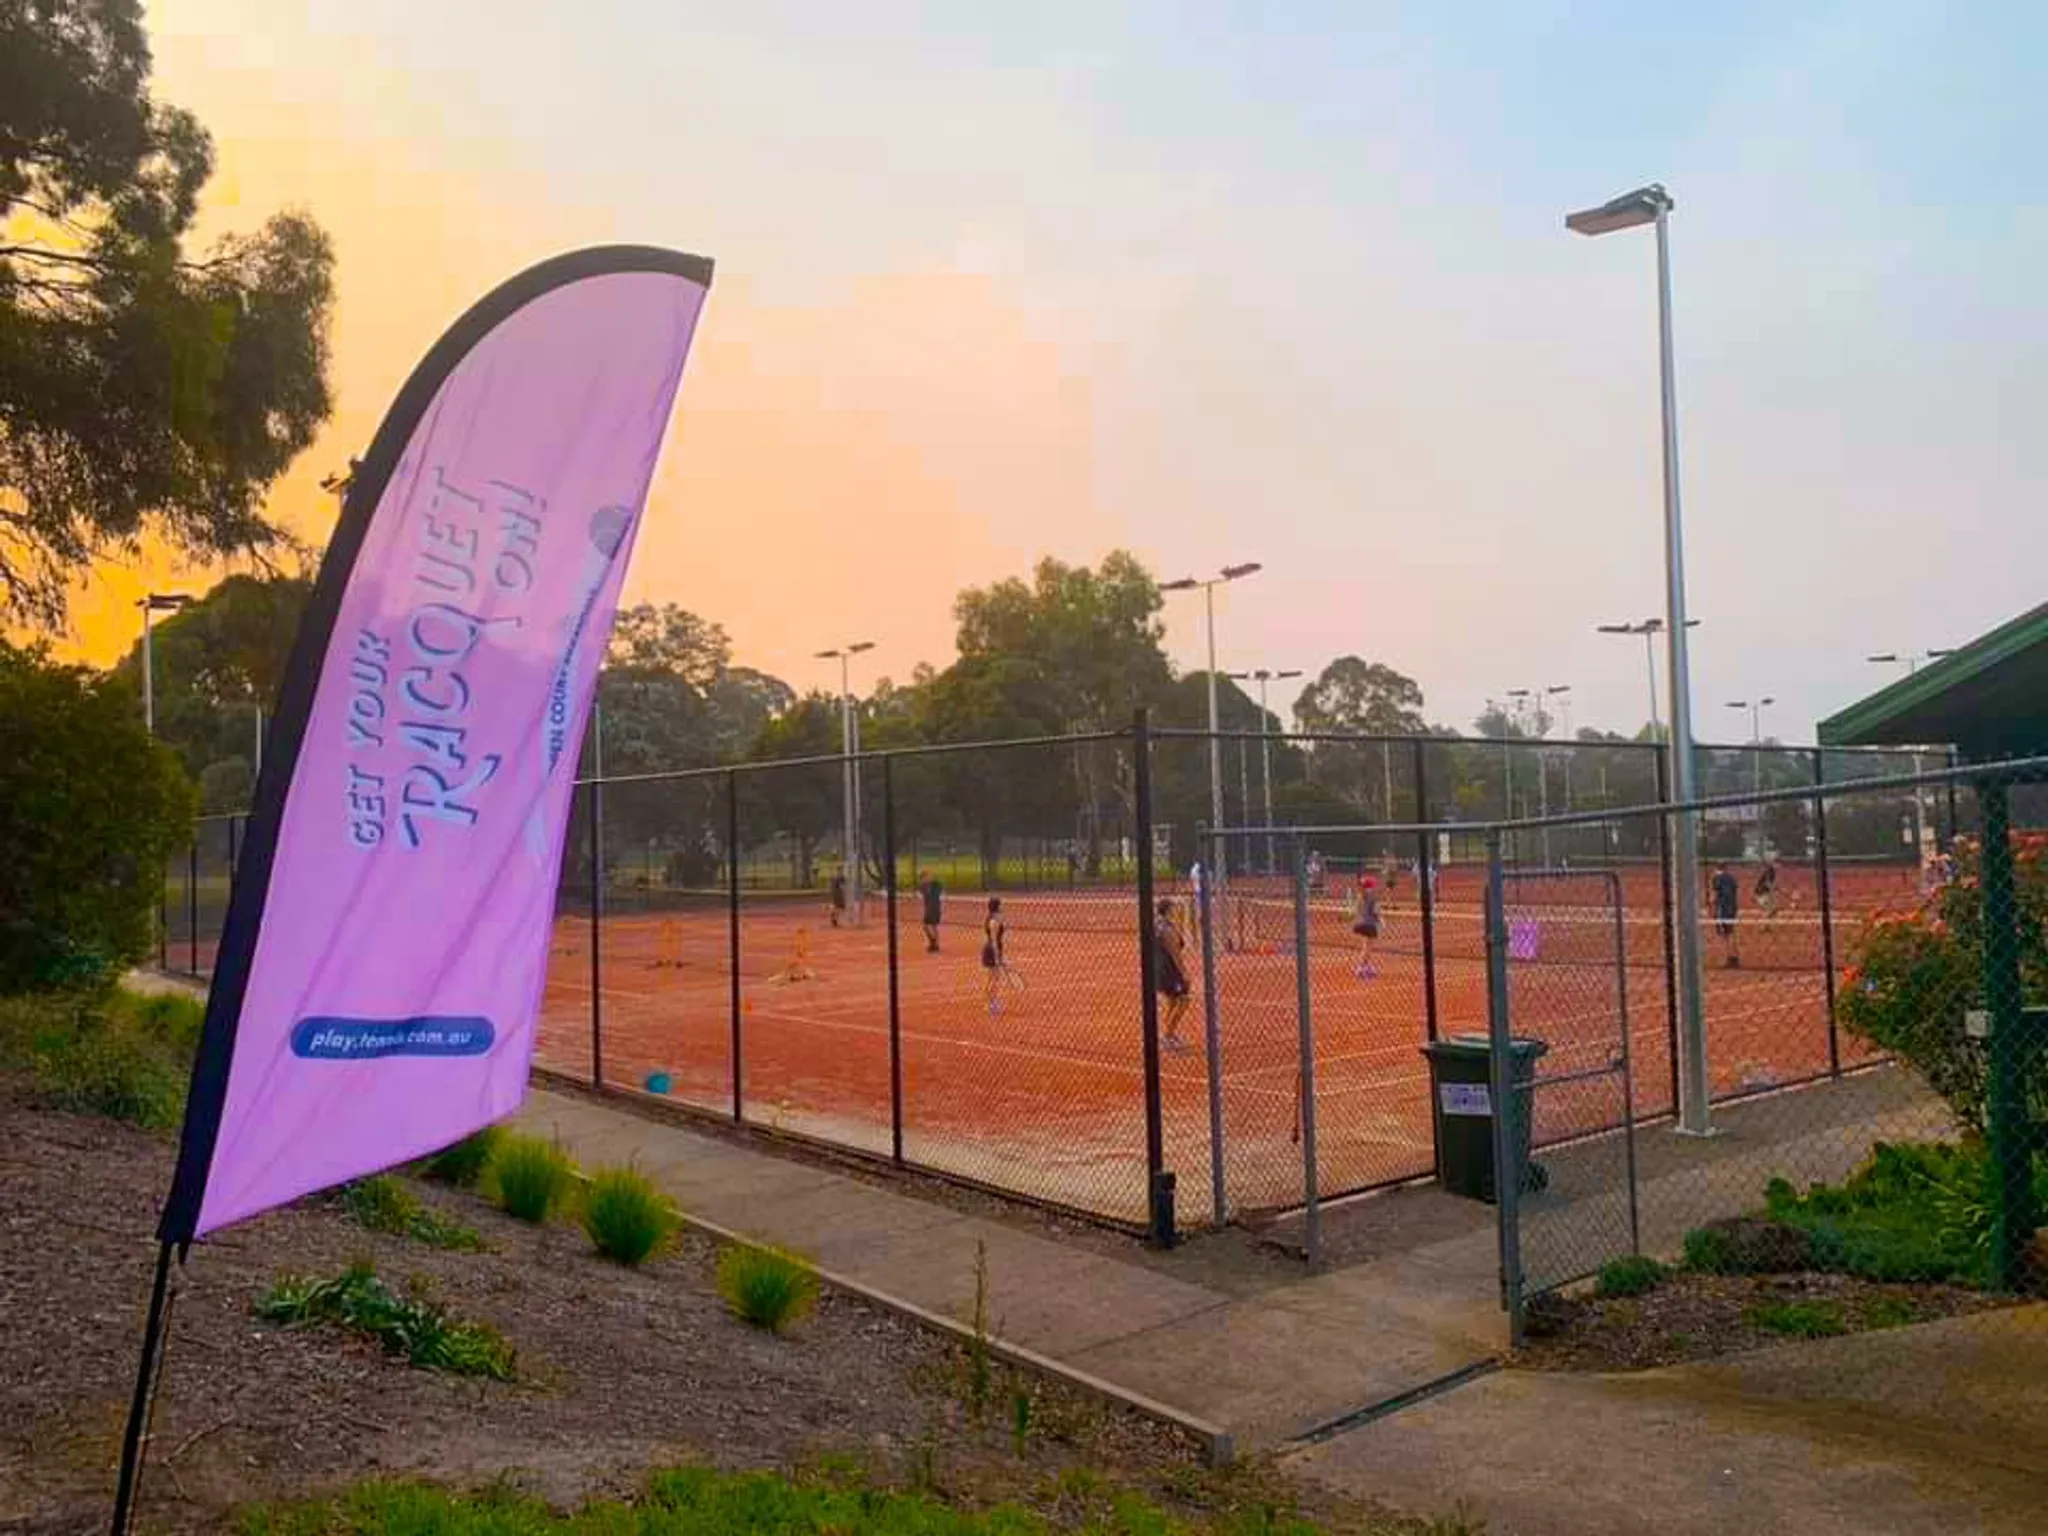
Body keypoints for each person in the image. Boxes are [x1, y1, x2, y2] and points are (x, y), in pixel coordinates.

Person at [1152, 897, 1193, 1050]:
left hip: (1160, 968)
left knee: (1172, 1002)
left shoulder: (1157, 925)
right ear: (1168, 910)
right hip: (1170, 970)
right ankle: (1167, 1036)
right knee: (1184, 1000)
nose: (1176, 910)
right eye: (1174, 908)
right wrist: (1184, 973)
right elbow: (1175, 953)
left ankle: (1169, 1033)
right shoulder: (1167, 929)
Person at [1351, 874, 1381, 980]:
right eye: (1372, 886)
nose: (1374, 887)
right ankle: (1361, 968)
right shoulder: (1372, 896)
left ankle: (1367, 966)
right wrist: (1380, 921)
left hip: (1362, 923)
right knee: (1368, 948)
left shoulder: (1361, 896)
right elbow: (1376, 912)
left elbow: (1357, 910)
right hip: (1371, 924)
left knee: (1365, 946)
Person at [981, 896, 1007, 1017]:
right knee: (993, 979)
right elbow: (994, 940)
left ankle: (990, 1002)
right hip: (992, 950)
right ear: (997, 906)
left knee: (993, 979)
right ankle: (991, 1004)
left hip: (993, 949)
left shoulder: (995, 918)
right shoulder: (994, 921)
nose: (1003, 906)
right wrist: (997, 957)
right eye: (1001, 904)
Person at [1711, 863, 1741, 967]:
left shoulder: (1716, 878)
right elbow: (1735, 892)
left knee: (1725, 934)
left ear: (1717, 868)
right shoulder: (1731, 878)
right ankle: (1735, 956)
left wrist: (1713, 907)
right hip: (1732, 907)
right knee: (1731, 932)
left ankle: (1730, 957)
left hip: (1723, 908)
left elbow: (1714, 896)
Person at [921, 874, 944, 953]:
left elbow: (940, 886)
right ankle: (933, 942)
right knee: (925, 926)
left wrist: (933, 880)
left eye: (927, 877)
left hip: (935, 909)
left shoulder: (936, 886)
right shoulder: (923, 887)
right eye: (924, 878)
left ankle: (935, 944)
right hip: (928, 910)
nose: (926, 879)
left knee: (933, 926)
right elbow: (924, 892)